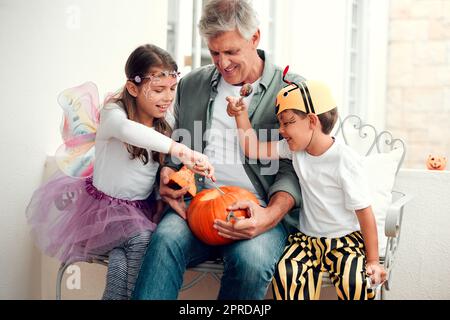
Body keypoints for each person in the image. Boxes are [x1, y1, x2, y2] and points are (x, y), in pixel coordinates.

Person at [133, 0, 303, 300]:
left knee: (251, 262)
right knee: (165, 240)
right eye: (214, 53)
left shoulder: (289, 89)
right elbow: (178, 148)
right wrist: (168, 174)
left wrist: (269, 216)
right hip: (199, 202)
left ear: (255, 39)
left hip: (259, 208)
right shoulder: (192, 84)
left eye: (231, 52)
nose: (222, 63)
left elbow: (296, 167)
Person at [25, 44, 214, 300]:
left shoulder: (165, 123)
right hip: (102, 214)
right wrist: (183, 151)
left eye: (171, 89)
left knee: (121, 262)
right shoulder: (114, 114)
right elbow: (128, 132)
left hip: (139, 210)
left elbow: (159, 168)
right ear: (133, 88)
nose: (168, 98)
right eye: (158, 90)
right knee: (141, 241)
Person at [226, 77, 387, 300]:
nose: (281, 130)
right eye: (280, 123)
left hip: (344, 240)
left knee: (355, 282)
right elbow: (252, 149)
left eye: (287, 122)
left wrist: (372, 260)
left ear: (312, 121)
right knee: (287, 272)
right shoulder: (295, 150)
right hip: (307, 240)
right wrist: (240, 115)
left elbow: (365, 212)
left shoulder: (344, 160)